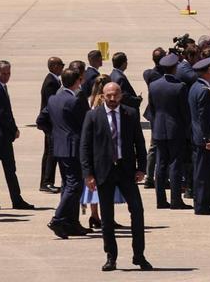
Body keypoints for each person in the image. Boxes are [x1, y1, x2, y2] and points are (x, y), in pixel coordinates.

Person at [80, 82, 152, 272]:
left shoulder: (130, 114)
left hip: (126, 170)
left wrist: (141, 168)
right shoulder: (93, 116)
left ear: (121, 95)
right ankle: (111, 256)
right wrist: (88, 174)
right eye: (109, 96)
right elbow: (85, 146)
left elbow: (139, 142)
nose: (112, 99)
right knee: (107, 217)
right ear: (103, 96)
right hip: (104, 172)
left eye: (116, 95)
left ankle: (139, 255)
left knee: (137, 211)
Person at [38, 65, 90, 238]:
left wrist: (54, 135)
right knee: (75, 185)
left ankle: (71, 222)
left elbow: (41, 120)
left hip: (59, 148)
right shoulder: (74, 101)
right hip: (73, 148)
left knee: (68, 185)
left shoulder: (53, 99)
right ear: (77, 82)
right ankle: (58, 218)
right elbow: (86, 124)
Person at [0, 60, 35, 211]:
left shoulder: (1, 87)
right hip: (0, 135)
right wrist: (14, 129)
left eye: (8, 73)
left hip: (0, 135)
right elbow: (2, 115)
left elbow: (7, 112)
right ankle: (16, 199)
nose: (6, 76)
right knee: (9, 168)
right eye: (3, 73)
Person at [80, 75, 126, 229]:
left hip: (95, 153)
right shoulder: (104, 105)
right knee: (104, 191)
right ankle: (105, 217)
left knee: (93, 191)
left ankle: (95, 215)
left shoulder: (89, 100)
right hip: (105, 152)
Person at [149, 53, 189, 209]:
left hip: (158, 129)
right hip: (175, 129)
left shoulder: (154, 85)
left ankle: (160, 200)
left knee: (161, 164)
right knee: (175, 164)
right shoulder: (180, 86)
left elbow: (152, 109)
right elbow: (184, 112)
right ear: (175, 68)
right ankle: (175, 199)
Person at [188, 57, 210, 215]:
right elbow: (204, 118)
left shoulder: (196, 87)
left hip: (197, 136)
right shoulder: (203, 91)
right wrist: (208, 139)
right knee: (203, 173)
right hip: (203, 138)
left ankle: (200, 202)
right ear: (206, 73)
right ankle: (201, 205)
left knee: (200, 171)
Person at [38, 56, 65, 193]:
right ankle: (47, 182)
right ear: (54, 66)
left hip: (51, 124)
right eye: (61, 65)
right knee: (51, 154)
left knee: (50, 153)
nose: (63, 67)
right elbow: (50, 105)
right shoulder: (51, 82)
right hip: (50, 124)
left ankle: (46, 181)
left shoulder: (54, 80)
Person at [140, 48, 165, 187]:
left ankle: (150, 176)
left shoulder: (150, 73)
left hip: (155, 112)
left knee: (154, 146)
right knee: (155, 146)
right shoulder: (157, 76)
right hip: (159, 113)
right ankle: (150, 177)